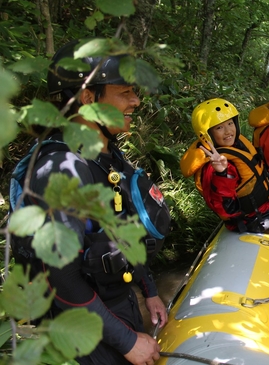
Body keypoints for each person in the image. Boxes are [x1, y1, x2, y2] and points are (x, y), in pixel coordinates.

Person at [9, 39, 169, 365]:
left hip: (114, 302)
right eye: (125, 92)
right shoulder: (61, 170)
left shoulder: (104, 154)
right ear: (88, 99)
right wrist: (127, 342)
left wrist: (149, 289)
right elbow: (62, 279)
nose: (136, 101)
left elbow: (123, 227)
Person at [180, 98, 269, 239]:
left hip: (263, 204)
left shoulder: (236, 145)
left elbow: (258, 171)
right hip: (250, 218)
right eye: (219, 128)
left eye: (230, 124)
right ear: (206, 135)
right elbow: (226, 209)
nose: (228, 131)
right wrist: (222, 173)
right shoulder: (214, 166)